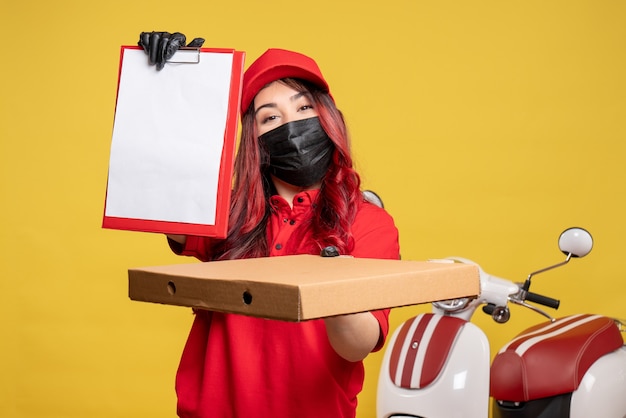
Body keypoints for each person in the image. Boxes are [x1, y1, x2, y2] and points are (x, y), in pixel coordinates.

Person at [151, 40, 400, 418]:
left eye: (303, 108)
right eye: (271, 117)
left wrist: (334, 281)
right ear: (256, 140)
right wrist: (164, 86)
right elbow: (157, 198)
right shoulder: (226, 213)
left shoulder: (368, 221)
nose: (292, 125)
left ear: (328, 118)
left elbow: (357, 346)